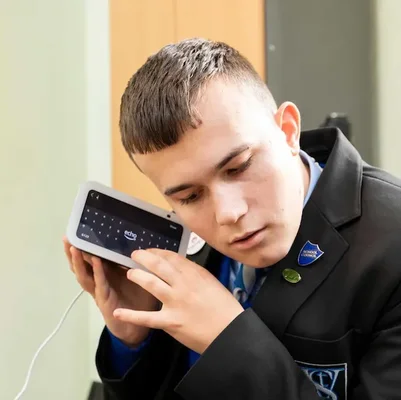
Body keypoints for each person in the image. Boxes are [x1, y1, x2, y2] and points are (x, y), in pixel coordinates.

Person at [63, 38, 401, 400]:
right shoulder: (182, 247)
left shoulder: (390, 245)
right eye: (189, 196)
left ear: (287, 130)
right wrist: (134, 340)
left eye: (238, 167)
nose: (227, 214)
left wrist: (229, 340)